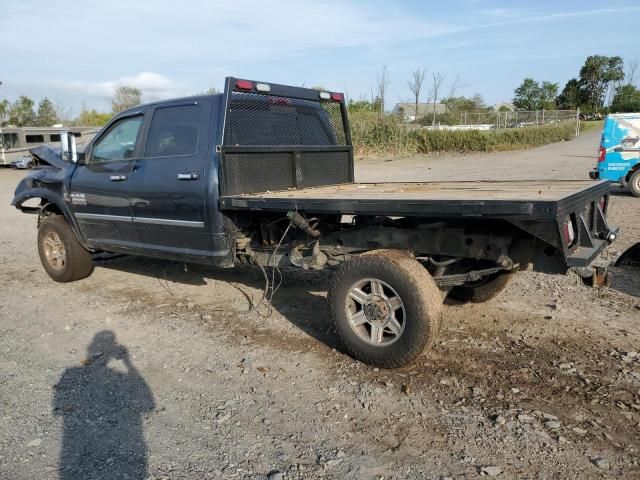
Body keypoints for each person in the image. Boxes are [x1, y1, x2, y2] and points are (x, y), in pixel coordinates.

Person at [53, 331, 155, 479]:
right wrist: (128, 363)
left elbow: (58, 409)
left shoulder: (71, 372)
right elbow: (148, 405)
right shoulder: (74, 373)